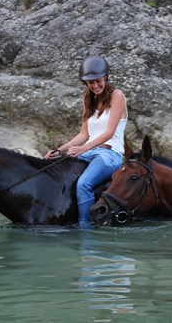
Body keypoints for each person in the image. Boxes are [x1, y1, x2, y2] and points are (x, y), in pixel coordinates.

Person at [45, 55, 127, 227]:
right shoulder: (89, 100)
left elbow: (109, 132)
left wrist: (82, 149)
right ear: (86, 83)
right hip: (90, 151)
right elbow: (83, 134)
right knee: (58, 170)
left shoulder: (116, 96)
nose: (95, 86)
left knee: (83, 184)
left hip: (110, 154)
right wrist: (60, 151)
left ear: (105, 77)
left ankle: (85, 228)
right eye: (91, 83)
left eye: (98, 81)